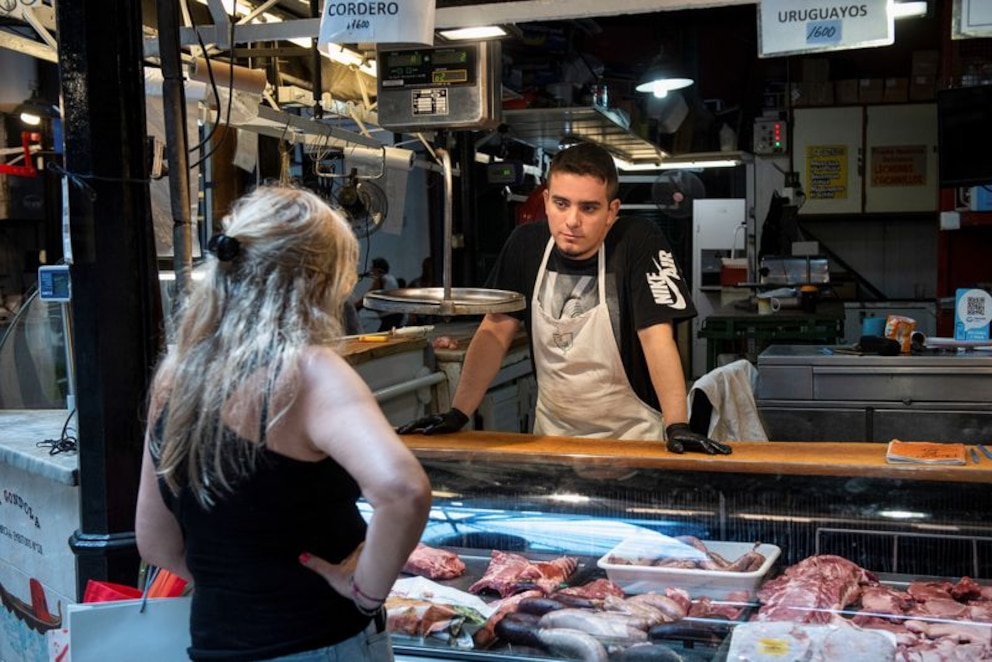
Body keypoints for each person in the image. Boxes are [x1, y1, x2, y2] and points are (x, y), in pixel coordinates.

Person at [135, 186, 432, 661]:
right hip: (318, 642)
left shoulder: (176, 374)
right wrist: (365, 592)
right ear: (319, 280)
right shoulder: (307, 371)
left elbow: (155, 542)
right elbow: (403, 491)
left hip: (215, 645)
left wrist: (244, 583)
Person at [398, 143, 731, 455]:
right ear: (546, 201)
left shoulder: (637, 242)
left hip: (633, 440)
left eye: (589, 208)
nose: (572, 221)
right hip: (552, 438)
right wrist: (458, 413)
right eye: (561, 204)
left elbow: (656, 338)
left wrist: (677, 425)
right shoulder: (526, 245)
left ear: (611, 211)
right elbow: (495, 331)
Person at [356, 256, 404, 332]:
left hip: (390, 315)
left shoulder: (381, 279)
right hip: (397, 314)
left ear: (378, 270)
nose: (370, 271)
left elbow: (368, 295)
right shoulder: (391, 278)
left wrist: (355, 306)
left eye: (372, 268)